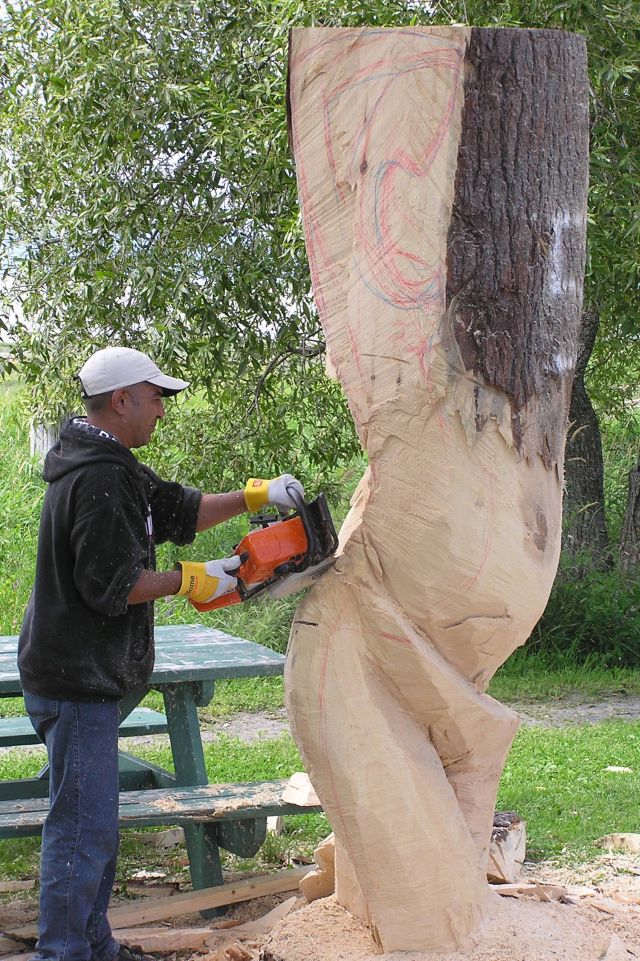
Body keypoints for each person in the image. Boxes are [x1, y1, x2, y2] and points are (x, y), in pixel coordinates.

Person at [18, 346, 304, 961]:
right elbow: (114, 587)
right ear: (121, 399)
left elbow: (180, 510)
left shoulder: (110, 462)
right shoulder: (97, 478)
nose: (162, 412)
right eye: (156, 398)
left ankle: (92, 945)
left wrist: (256, 497)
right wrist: (195, 579)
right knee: (79, 832)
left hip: (79, 671)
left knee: (94, 826)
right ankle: (63, 953)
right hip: (76, 678)